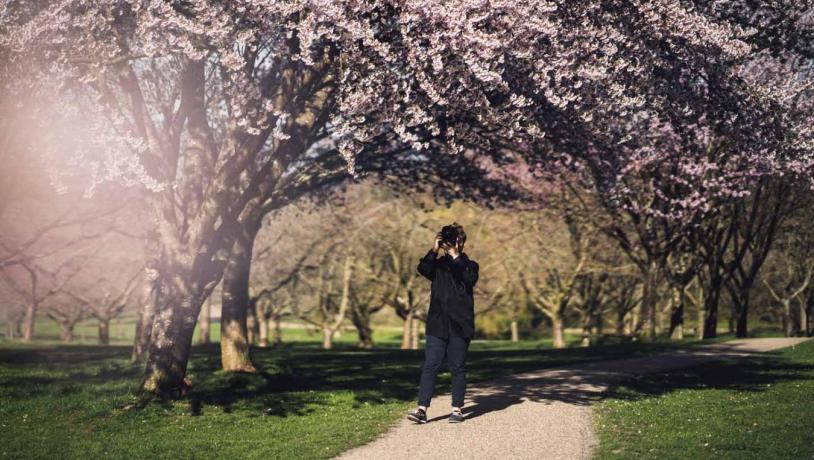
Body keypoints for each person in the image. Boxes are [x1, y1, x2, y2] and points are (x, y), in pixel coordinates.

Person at [407, 222, 479, 424]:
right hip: (437, 323)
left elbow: (469, 278)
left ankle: (457, 409)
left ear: (460, 242)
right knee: (430, 365)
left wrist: (455, 255)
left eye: (454, 240)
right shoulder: (437, 266)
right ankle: (421, 409)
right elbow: (423, 268)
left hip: (460, 325)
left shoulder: (470, 265)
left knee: (457, 367)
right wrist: (434, 249)